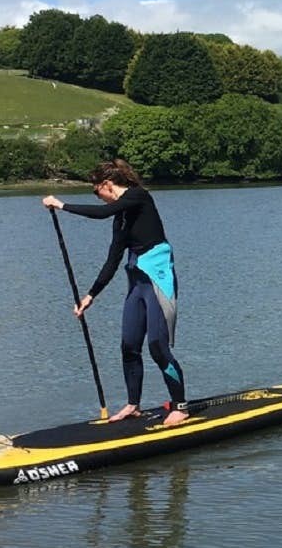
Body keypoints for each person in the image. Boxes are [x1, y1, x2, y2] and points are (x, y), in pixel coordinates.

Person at [43, 159, 189, 426]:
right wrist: (90, 295)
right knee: (129, 346)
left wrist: (61, 205)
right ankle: (133, 405)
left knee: (157, 345)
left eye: (97, 193)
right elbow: (112, 259)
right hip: (136, 285)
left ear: (107, 185)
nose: (100, 200)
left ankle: (180, 406)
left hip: (157, 281)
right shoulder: (120, 218)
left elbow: (100, 214)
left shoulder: (139, 197)